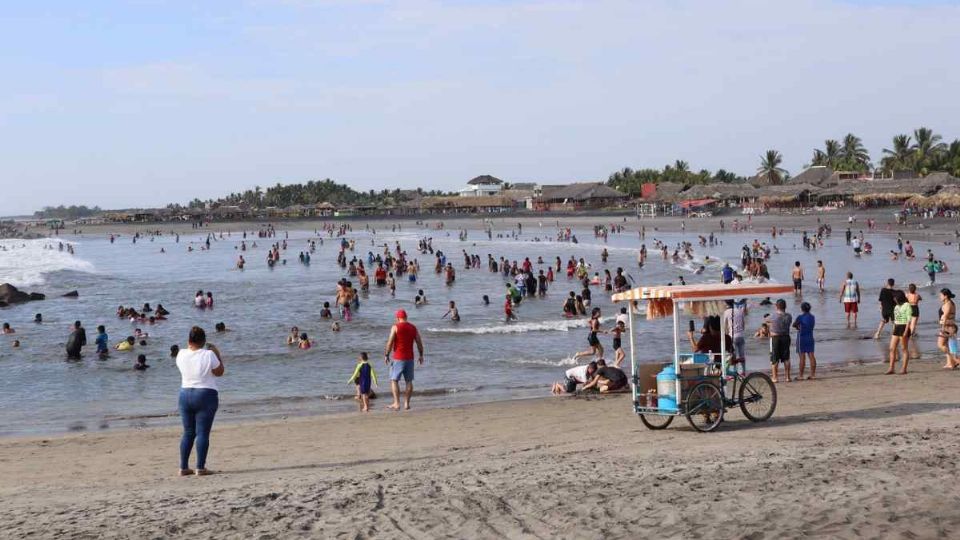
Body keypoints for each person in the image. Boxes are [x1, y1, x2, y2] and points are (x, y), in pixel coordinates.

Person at [175, 326, 224, 476]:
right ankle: (200, 467)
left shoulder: (181, 354)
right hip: (205, 393)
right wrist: (217, 354)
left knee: (188, 432)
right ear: (203, 341)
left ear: (189, 340)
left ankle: (183, 467)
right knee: (202, 432)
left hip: (185, 393)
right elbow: (219, 372)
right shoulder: (209, 354)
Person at [383, 310, 424, 411]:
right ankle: (406, 404)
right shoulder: (413, 327)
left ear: (397, 318)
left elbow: (390, 342)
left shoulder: (395, 327)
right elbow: (419, 342)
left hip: (398, 357)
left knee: (394, 380)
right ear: (406, 317)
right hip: (410, 358)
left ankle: (397, 403)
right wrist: (421, 355)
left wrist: (386, 354)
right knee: (409, 381)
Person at [768, 299, 793, 383]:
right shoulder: (789, 316)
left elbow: (766, 320)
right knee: (786, 358)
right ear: (785, 306)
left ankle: (775, 377)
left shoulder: (773, 316)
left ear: (776, 306)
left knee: (774, 358)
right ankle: (787, 377)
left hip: (775, 338)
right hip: (786, 337)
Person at [888, 291, 912, 375]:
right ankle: (891, 368)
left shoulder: (907, 305)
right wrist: (893, 330)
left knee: (904, 349)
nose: (894, 299)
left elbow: (909, 319)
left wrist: (906, 331)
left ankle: (904, 369)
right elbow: (895, 320)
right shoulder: (896, 307)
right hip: (897, 327)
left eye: (895, 297)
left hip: (904, 327)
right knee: (892, 348)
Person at [793, 302, 816, 380]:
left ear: (802, 309)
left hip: (802, 337)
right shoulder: (812, 317)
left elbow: (794, 324)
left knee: (802, 357)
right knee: (811, 356)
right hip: (810, 337)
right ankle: (812, 374)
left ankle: (801, 375)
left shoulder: (800, 317)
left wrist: (798, 327)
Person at [937, 289, 958, 369]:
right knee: (946, 345)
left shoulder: (948, 304)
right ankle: (950, 363)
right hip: (950, 326)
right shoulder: (949, 303)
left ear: (945, 296)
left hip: (947, 327)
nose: (940, 297)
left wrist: (942, 329)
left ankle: (954, 360)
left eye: (941, 295)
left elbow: (945, 316)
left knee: (940, 345)